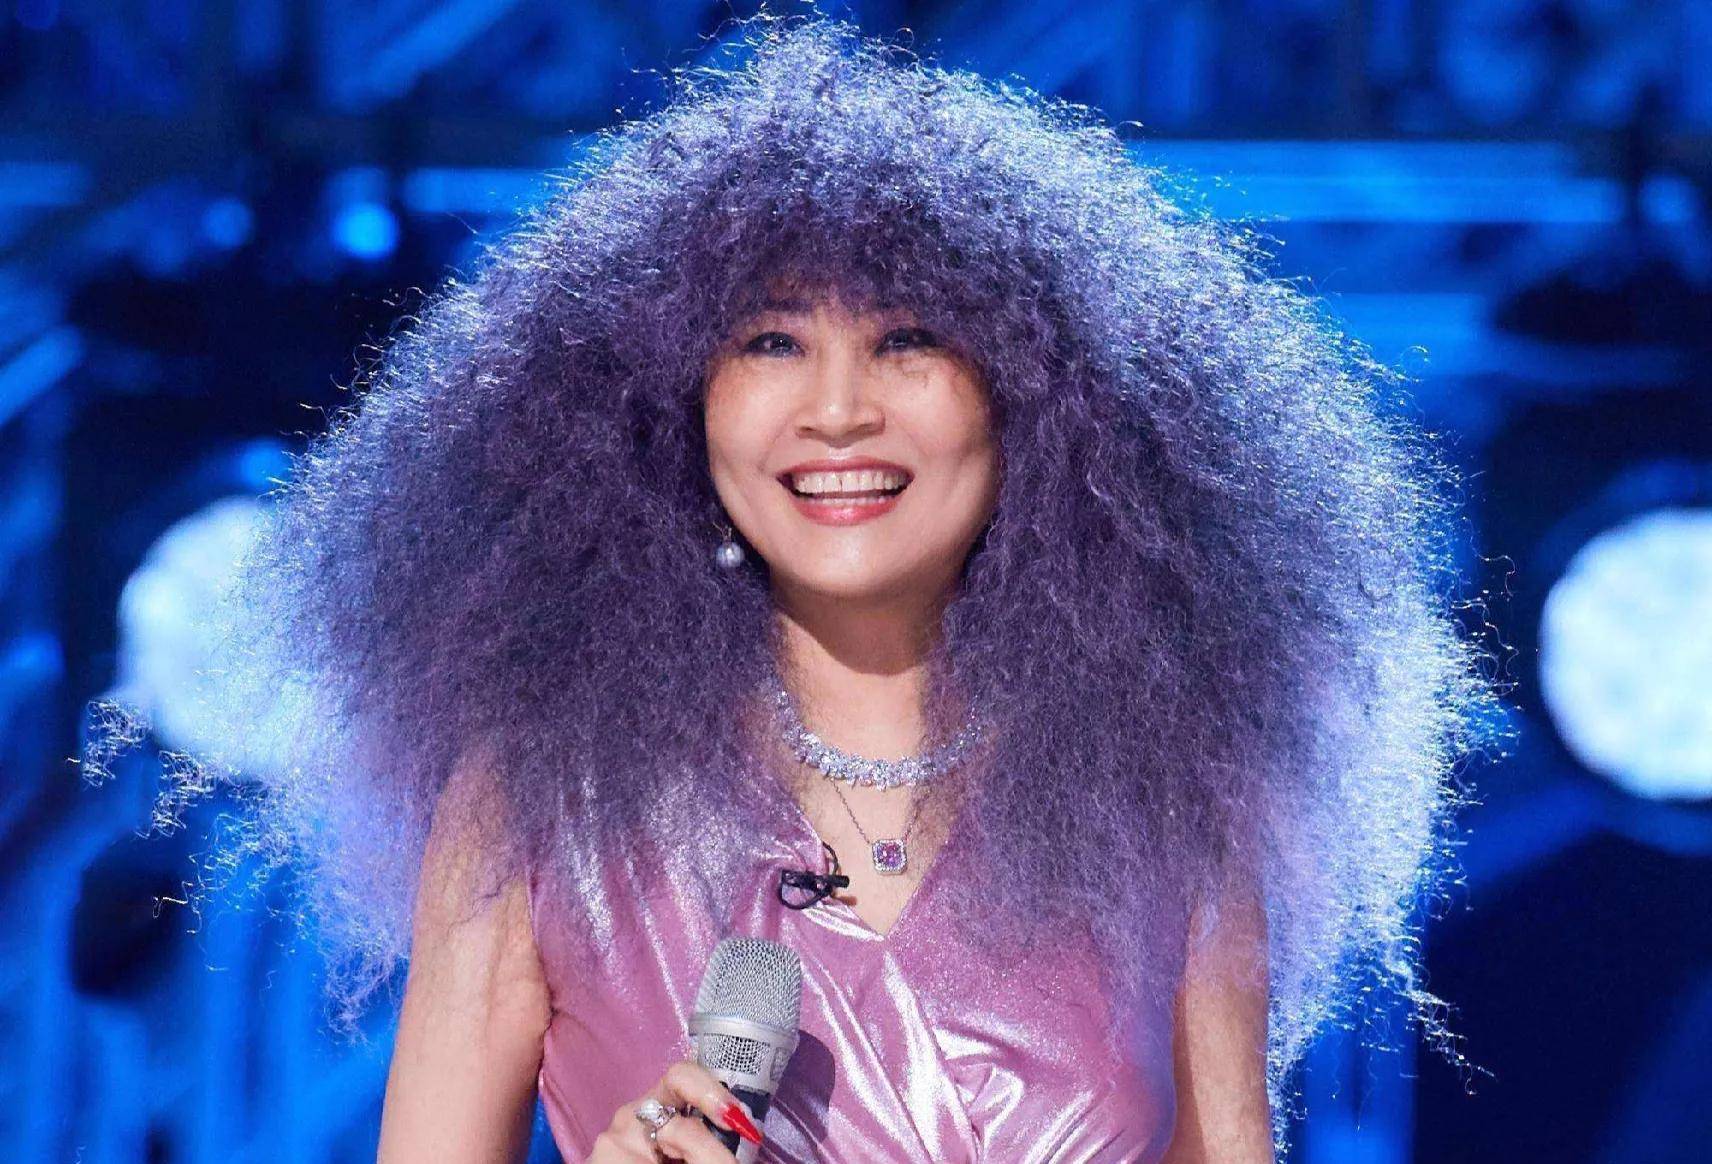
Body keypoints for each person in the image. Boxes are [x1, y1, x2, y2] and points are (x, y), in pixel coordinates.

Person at [79, 14, 1503, 1164]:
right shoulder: (538, 808)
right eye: (770, 344)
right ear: (670, 407)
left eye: (907, 342)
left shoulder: (1176, 800)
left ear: (1038, 404)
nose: (836, 411)